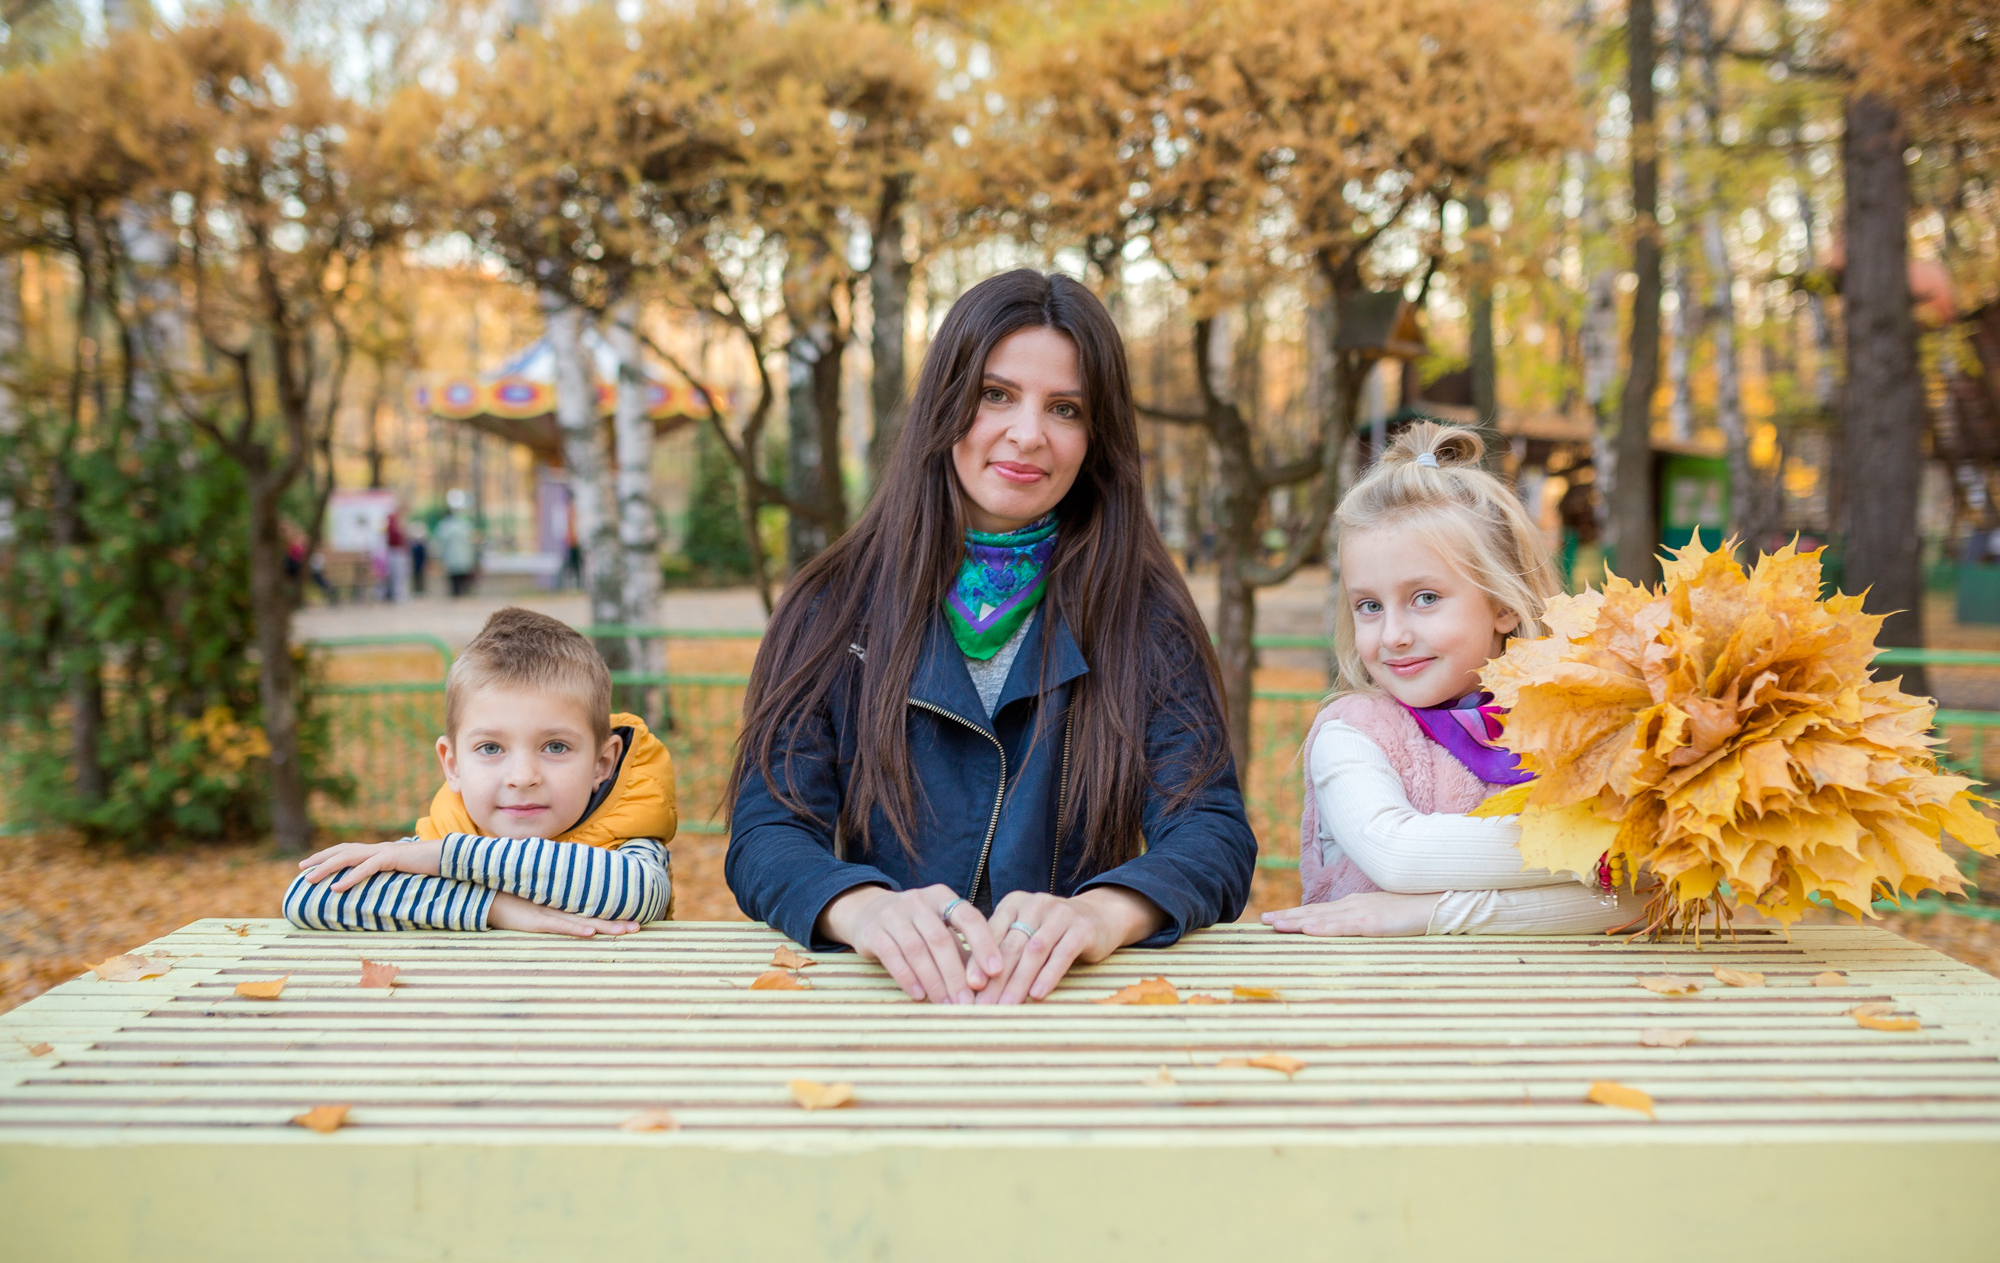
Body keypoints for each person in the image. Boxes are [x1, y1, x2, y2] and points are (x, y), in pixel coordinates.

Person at [725, 269, 1255, 1005]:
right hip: (880, 1001)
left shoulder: (1145, 615)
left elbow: (1212, 832)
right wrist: (864, 907)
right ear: (946, 400)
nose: (1028, 433)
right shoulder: (832, 603)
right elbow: (767, 831)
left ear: (1095, 439)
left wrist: (1100, 913)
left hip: (1071, 1004)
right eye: (996, 394)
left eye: (1066, 408)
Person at [1262, 423, 1636, 938]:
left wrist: (1428, 914)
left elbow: (1631, 899)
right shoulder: (1353, 733)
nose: (1392, 634)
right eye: (1369, 606)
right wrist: (1600, 845)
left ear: (1504, 603)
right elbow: (1398, 853)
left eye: (1425, 598)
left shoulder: (1572, 725)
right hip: (1369, 1003)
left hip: (1543, 1008)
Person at [283, 607, 677, 934]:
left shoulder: (625, 841)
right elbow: (307, 895)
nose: (522, 776)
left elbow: (639, 893)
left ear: (601, 764)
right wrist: (495, 908)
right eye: (491, 748)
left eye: (555, 746)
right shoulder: (441, 835)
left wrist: (448, 860)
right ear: (452, 765)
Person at [434, 490, 479, 598]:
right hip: (461, 560)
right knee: (460, 584)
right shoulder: (465, 525)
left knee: (456, 585)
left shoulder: (445, 525)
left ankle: (457, 597)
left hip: (454, 560)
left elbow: (440, 543)